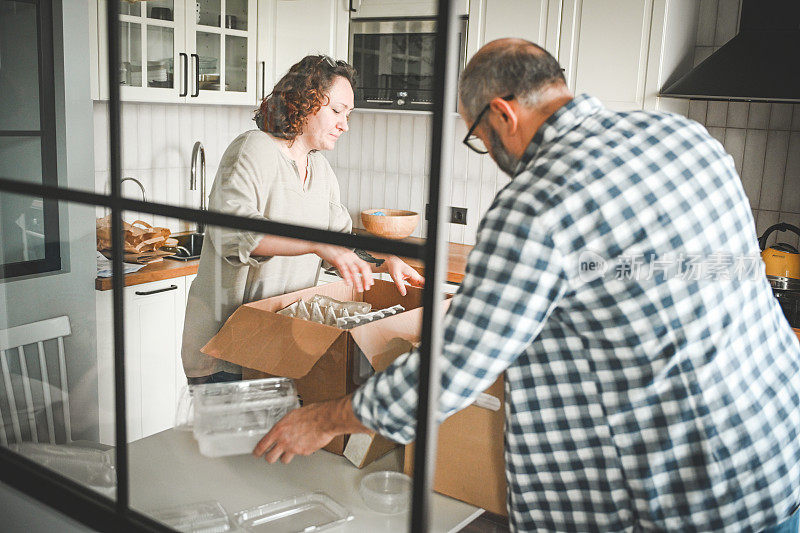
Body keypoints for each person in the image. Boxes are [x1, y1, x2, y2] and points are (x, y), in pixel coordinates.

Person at [252, 40, 800, 531]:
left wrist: (323, 419)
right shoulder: (684, 138)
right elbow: (721, 268)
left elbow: (452, 368)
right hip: (777, 461)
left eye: (479, 137)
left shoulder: (538, 202)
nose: (489, 154)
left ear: (504, 114)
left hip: (680, 503)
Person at [181, 55, 424, 385]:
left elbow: (340, 248)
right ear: (304, 102)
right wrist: (317, 244)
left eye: (348, 114)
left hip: (277, 347)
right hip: (225, 351)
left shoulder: (321, 170)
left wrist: (383, 263)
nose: (345, 124)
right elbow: (233, 236)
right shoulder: (253, 148)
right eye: (337, 111)